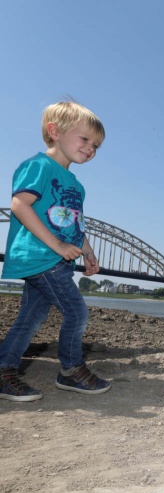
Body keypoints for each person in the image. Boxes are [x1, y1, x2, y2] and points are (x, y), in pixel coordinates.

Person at [0, 101, 110, 401]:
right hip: (41, 256)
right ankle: (71, 370)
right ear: (55, 131)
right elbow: (20, 205)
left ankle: (3, 369)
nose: (90, 148)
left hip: (55, 259)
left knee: (30, 319)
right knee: (77, 313)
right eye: (85, 139)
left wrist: (86, 249)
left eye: (96, 145)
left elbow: (73, 223)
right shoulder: (38, 166)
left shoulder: (75, 183)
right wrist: (57, 245)